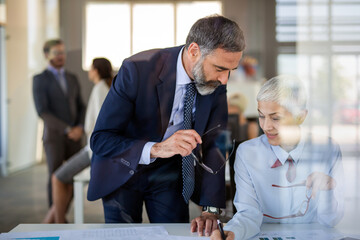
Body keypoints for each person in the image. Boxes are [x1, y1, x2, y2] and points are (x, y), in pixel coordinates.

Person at [87, 14, 245, 237]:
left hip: (169, 173)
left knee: (174, 236)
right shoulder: (137, 69)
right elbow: (101, 138)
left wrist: (210, 208)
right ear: (193, 51)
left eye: (231, 70)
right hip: (122, 167)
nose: (224, 80)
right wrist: (156, 148)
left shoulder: (216, 83)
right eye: (219, 68)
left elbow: (217, 143)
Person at [211, 75, 344, 240]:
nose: (266, 126)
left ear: (301, 116)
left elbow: (330, 221)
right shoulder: (247, 153)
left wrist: (326, 192)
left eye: (276, 118)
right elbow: (248, 214)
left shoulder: (328, 149)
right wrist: (234, 232)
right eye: (261, 116)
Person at [42, 58, 113, 223]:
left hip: (93, 150)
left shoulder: (99, 89)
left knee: (57, 178)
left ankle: (59, 225)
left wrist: (80, 130)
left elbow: (100, 123)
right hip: (93, 147)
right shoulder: (105, 88)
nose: (89, 71)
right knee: (63, 181)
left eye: (90, 68)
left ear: (96, 71)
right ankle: (51, 224)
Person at [33, 39, 86, 208]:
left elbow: (81, 106)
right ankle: (56, 217)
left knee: (74, 175)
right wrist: (67, 129)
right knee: (55, 176)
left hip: (75, 136)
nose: (61, 56)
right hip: (54, 137)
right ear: (46, 55)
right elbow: (42, 111)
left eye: (63, 52)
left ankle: (63, 212)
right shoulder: (40, 79)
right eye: (57, 53)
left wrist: (79, 128)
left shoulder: (72, 77)